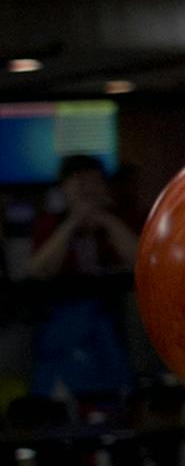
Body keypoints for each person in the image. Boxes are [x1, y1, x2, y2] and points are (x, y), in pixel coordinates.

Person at [26, 153, 139, 400]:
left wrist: (107, 221)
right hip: (63, 316)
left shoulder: (121, 217)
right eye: (79, 184)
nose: (87, 191)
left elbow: (140, 261)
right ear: (64, 189)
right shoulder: (50, 223)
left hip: (115, 314)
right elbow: (37, 270)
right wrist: (72, 223)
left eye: (94, 183)